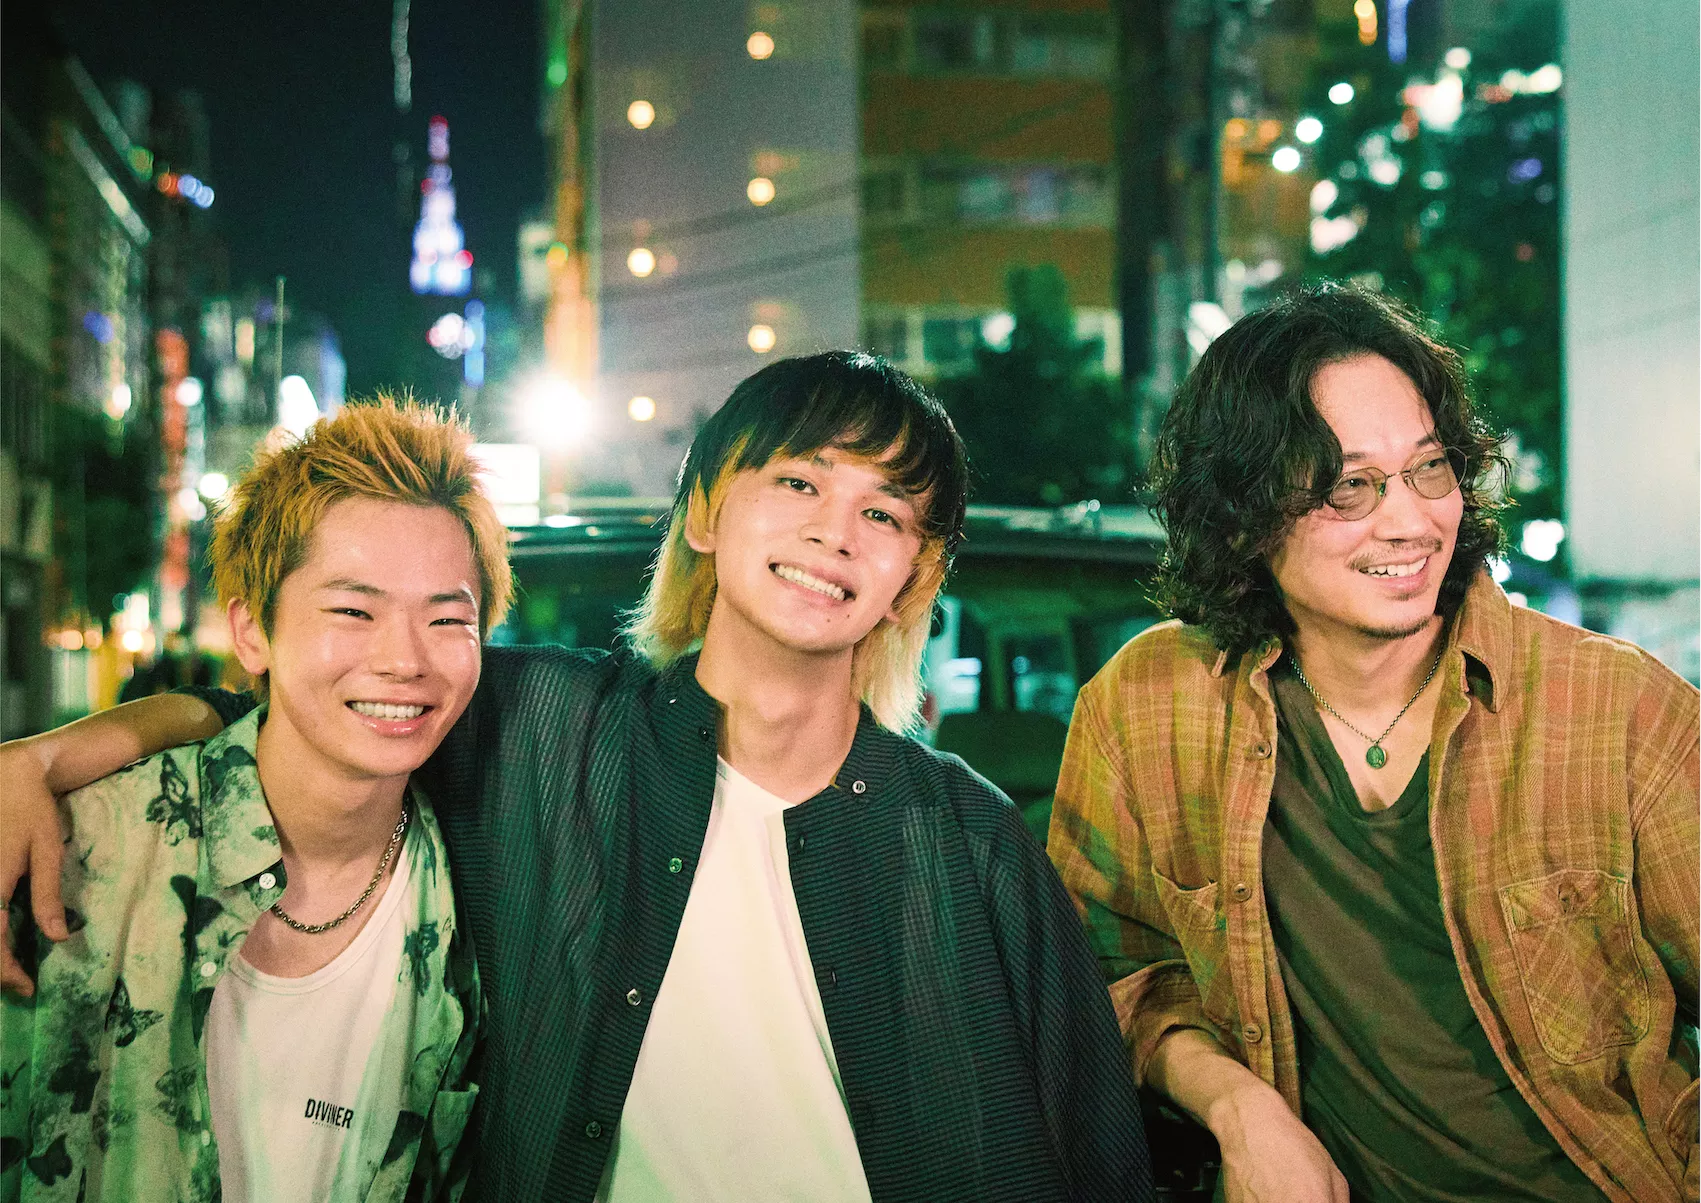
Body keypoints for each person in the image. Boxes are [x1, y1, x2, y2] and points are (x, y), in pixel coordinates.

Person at [4, 352, 1154, 1202]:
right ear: (705, 512)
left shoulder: (971, 841)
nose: (834, 533)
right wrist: (48, 757)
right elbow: (327, 704)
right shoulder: (548, 735)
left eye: (885, 512)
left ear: (913, 574)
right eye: (799, 484)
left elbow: (1096, 1146)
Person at [1047, 283, 1699, 1203]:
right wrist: (1238, 1107)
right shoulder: (1148, 708)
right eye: (1348, 486)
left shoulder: (1613, 708)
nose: (1409, 520)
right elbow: (1114, 977)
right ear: (1241, 513)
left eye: (1428, 469)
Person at [1, 398, 506, 1201]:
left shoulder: (486, 887)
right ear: (251, 632)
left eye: (447, 618)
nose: (405, 659)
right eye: (354, 610)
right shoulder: (71, 850)